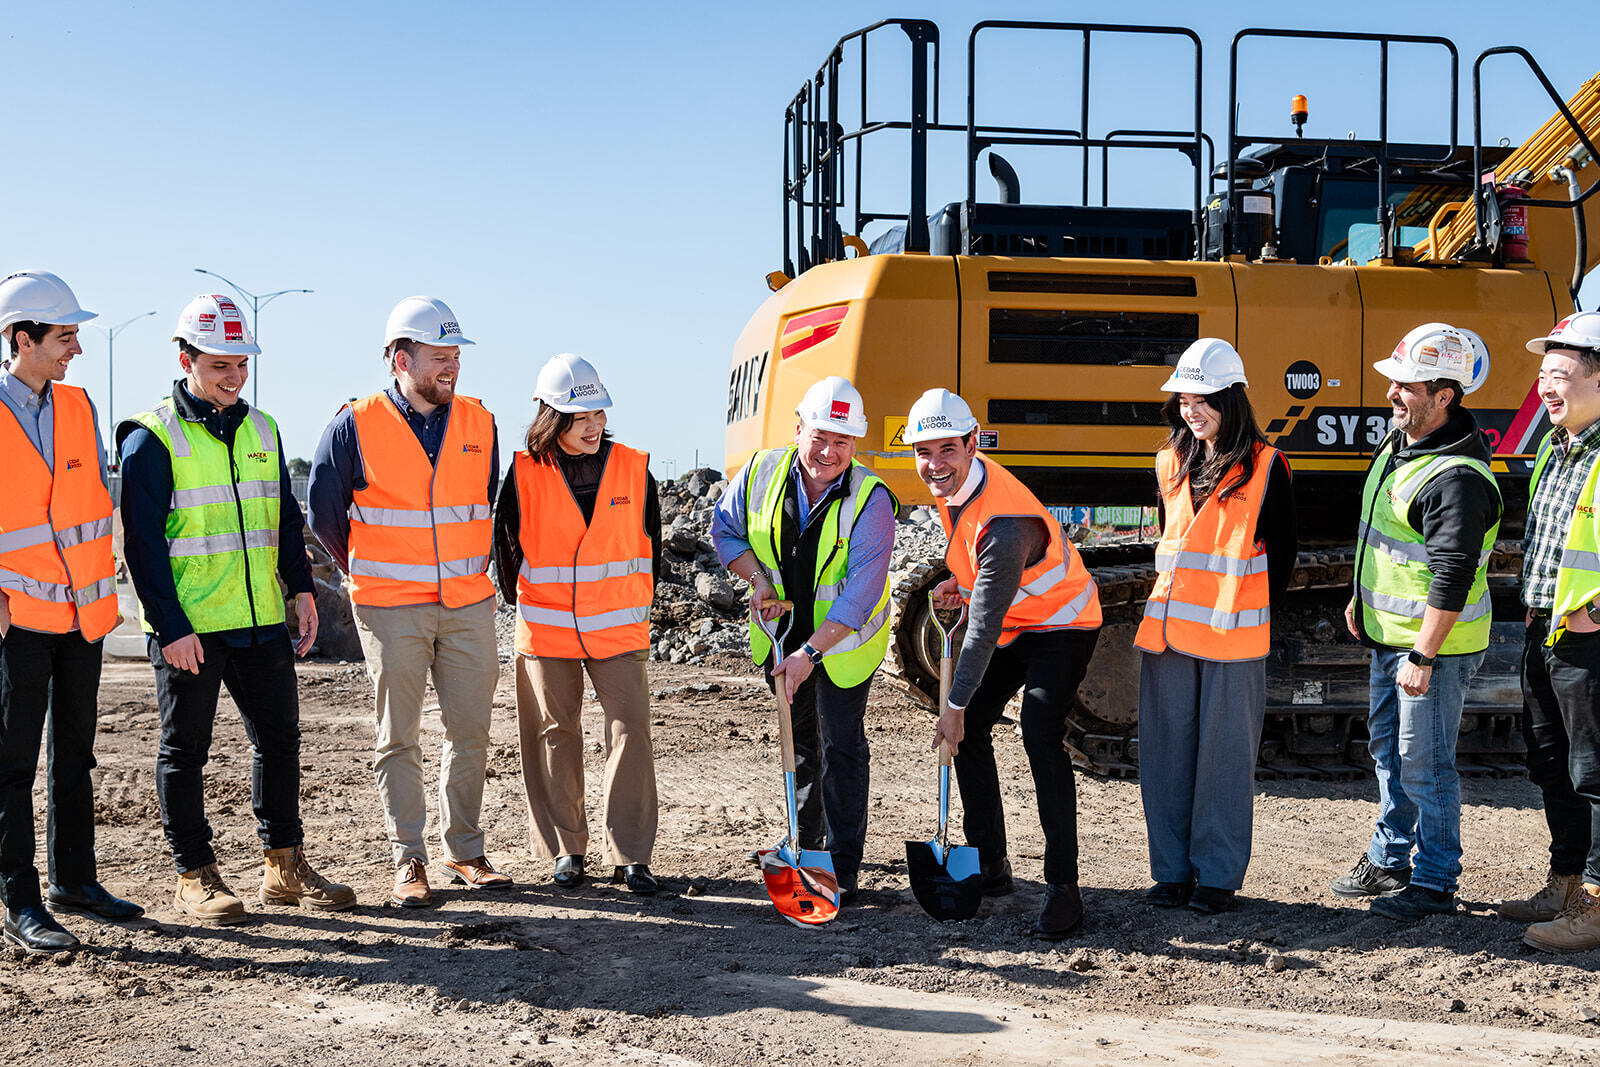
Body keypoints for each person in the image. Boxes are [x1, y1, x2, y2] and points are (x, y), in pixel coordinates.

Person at [118, 293, 354, 924]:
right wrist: (170, 627)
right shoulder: (152, 438)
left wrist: (301, 589)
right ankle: (193, 874)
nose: (234, 376)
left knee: (278, 741)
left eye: (241, 363)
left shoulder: (264, 429)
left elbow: (283, 517)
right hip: (191, 627)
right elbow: (141, 545)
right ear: (185, 357)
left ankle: (283, 865)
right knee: (185, 749)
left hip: (258, 622)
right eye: (221, 363)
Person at [307, 295, 508, 908]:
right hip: (391, 606)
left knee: (470, 731)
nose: (451, 367)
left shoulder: (480, 422)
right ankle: (409, 859)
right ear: (401, 358)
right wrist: (365, 571)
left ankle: (465, 851)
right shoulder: (353, 423)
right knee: (399, 735)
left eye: (455, 356)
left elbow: (484, 504)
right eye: (439, 356)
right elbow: (324, 512)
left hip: (469, 602)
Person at [909, 388, 1102, 939]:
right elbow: (985, 580)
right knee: (968, 732)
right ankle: (990, 862)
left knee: (1039, 732)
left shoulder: (1006, 521)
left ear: (973, 444)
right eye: (924, 451)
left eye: (948, 449)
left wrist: (953, 706)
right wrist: (961, 584)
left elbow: (984, 630)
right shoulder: (956, 487)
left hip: (1064, 624)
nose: (935, 464)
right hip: (1020, 622)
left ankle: (1063, 888)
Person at [1332, 322, 1501, 923]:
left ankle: (1434, 882)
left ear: (1444, 395)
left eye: (1404, 384)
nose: (1391, 394)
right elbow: (1383, 534)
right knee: (1389, 751)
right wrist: (1361, 596)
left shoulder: (1455, 478)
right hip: (1390, 636)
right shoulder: (1404, 444)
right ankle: (1391, 855)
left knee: (1425, 765)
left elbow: (1451, 574)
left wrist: (1424, 656)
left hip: (1432, 649)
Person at [711, 376, 896, 904]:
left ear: (855, 445)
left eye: (842, 441)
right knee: (800, 744)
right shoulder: (761, 472)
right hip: (779, 635)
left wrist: (809, 654)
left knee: (841, 745)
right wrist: (758, 579)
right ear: (799, 430)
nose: (829, 451)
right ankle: (804, 842)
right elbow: (726, 531)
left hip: (840, 647)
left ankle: (842, 862)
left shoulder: (872, 500)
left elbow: (860, 593)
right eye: (820, 436)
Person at [0, 271, 141, 953]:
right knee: (11, 763)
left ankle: (75, 880)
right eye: (64, 336)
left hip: (81, 617)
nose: (75, 347)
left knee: (75, 755)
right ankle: (20, 900)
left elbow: (89, 505)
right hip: (14, 620)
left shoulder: (80, 406)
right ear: (21, 339)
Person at [1134, 339, 1296, 915]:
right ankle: (1172, 873)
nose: (1191, 411)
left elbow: (1282, 559)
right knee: (1165, 755)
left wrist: (1242, 608)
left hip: (1232, 635)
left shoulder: (1267, 466)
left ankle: (1217, 878)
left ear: (1232, 400)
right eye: (1183, 400)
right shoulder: (1169, 462)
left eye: (1204, 400)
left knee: (1224, 761)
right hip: (1170, 633)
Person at [491, 354, 661, 893]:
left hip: (617, 627)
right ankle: (567, 849)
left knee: (630, 730)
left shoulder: (634, 467)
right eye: (579, 415)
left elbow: (650, 546)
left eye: (598, 413)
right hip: (547, 630)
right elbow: (506, 552)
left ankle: (631, 855)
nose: (593, 425)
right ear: (550, 416)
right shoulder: (521, 474)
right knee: (553, 735)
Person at [1504, 311, 1600, 952]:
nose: (1547, 387)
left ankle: (1596, 903)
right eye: (1543, 375)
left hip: (1589, 638)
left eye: (1561, 375)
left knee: (1596, 774)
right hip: (1546, 632)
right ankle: (1564, 882)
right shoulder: (1554, 451)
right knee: (1552, 765)